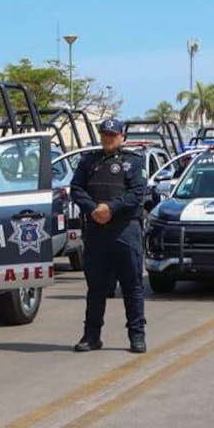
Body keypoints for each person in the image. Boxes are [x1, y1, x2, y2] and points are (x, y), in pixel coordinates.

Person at [70, 119, 149, 353]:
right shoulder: (88, 161)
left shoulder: (134, 162)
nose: (108, 138)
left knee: (132, 287)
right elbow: (76, 189)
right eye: (105, 134)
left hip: (125, 231)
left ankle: (137, 336)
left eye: (112, 135)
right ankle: (91, 336)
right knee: (96, 288)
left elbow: (137, 192)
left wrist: (110, 208)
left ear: (122, 137)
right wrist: (94, 209)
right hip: (97, 231)